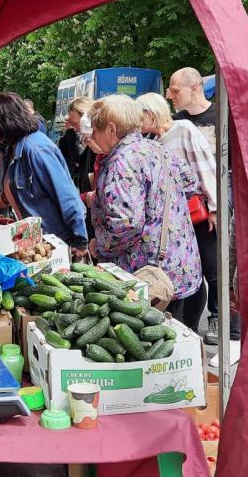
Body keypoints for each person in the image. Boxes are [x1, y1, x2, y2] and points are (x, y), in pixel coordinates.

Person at [87, 94, 205, 330]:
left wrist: (98, 247)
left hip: (150, 277)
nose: (93, 136)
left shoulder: (122, 162)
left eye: (95, 129)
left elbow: (126, 224)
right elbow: (190, 184)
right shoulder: (156, 147)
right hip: (181, 267)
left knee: (157, 352)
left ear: (111, 129)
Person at [138, 93, 240, 352]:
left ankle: (230, 328)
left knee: (214, 270)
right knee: (193, 273)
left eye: (141, 115)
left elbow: (205, 168)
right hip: (180, 220)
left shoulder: (183, 130)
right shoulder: (152, 139)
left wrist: (216, 208)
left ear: (152, 114)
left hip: (201, 214)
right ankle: (201, 327)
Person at [0, 92, 88, 257]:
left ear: (3, 121)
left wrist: (80, 240)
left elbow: (67, 196)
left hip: (55, 243)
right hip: (36, 240)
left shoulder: (37, 149)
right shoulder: (13, 147)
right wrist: (7, 196)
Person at [166, 67, 216, 146]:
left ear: (194, 89)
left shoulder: (223, 115)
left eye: (175, 91)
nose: (170, 96)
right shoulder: (175, 121)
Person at [57, 96, 96, 193]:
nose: (74, 128)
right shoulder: (74, 135)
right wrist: (68, 133)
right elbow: (75, 160)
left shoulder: (99, 142)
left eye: (75, 124)